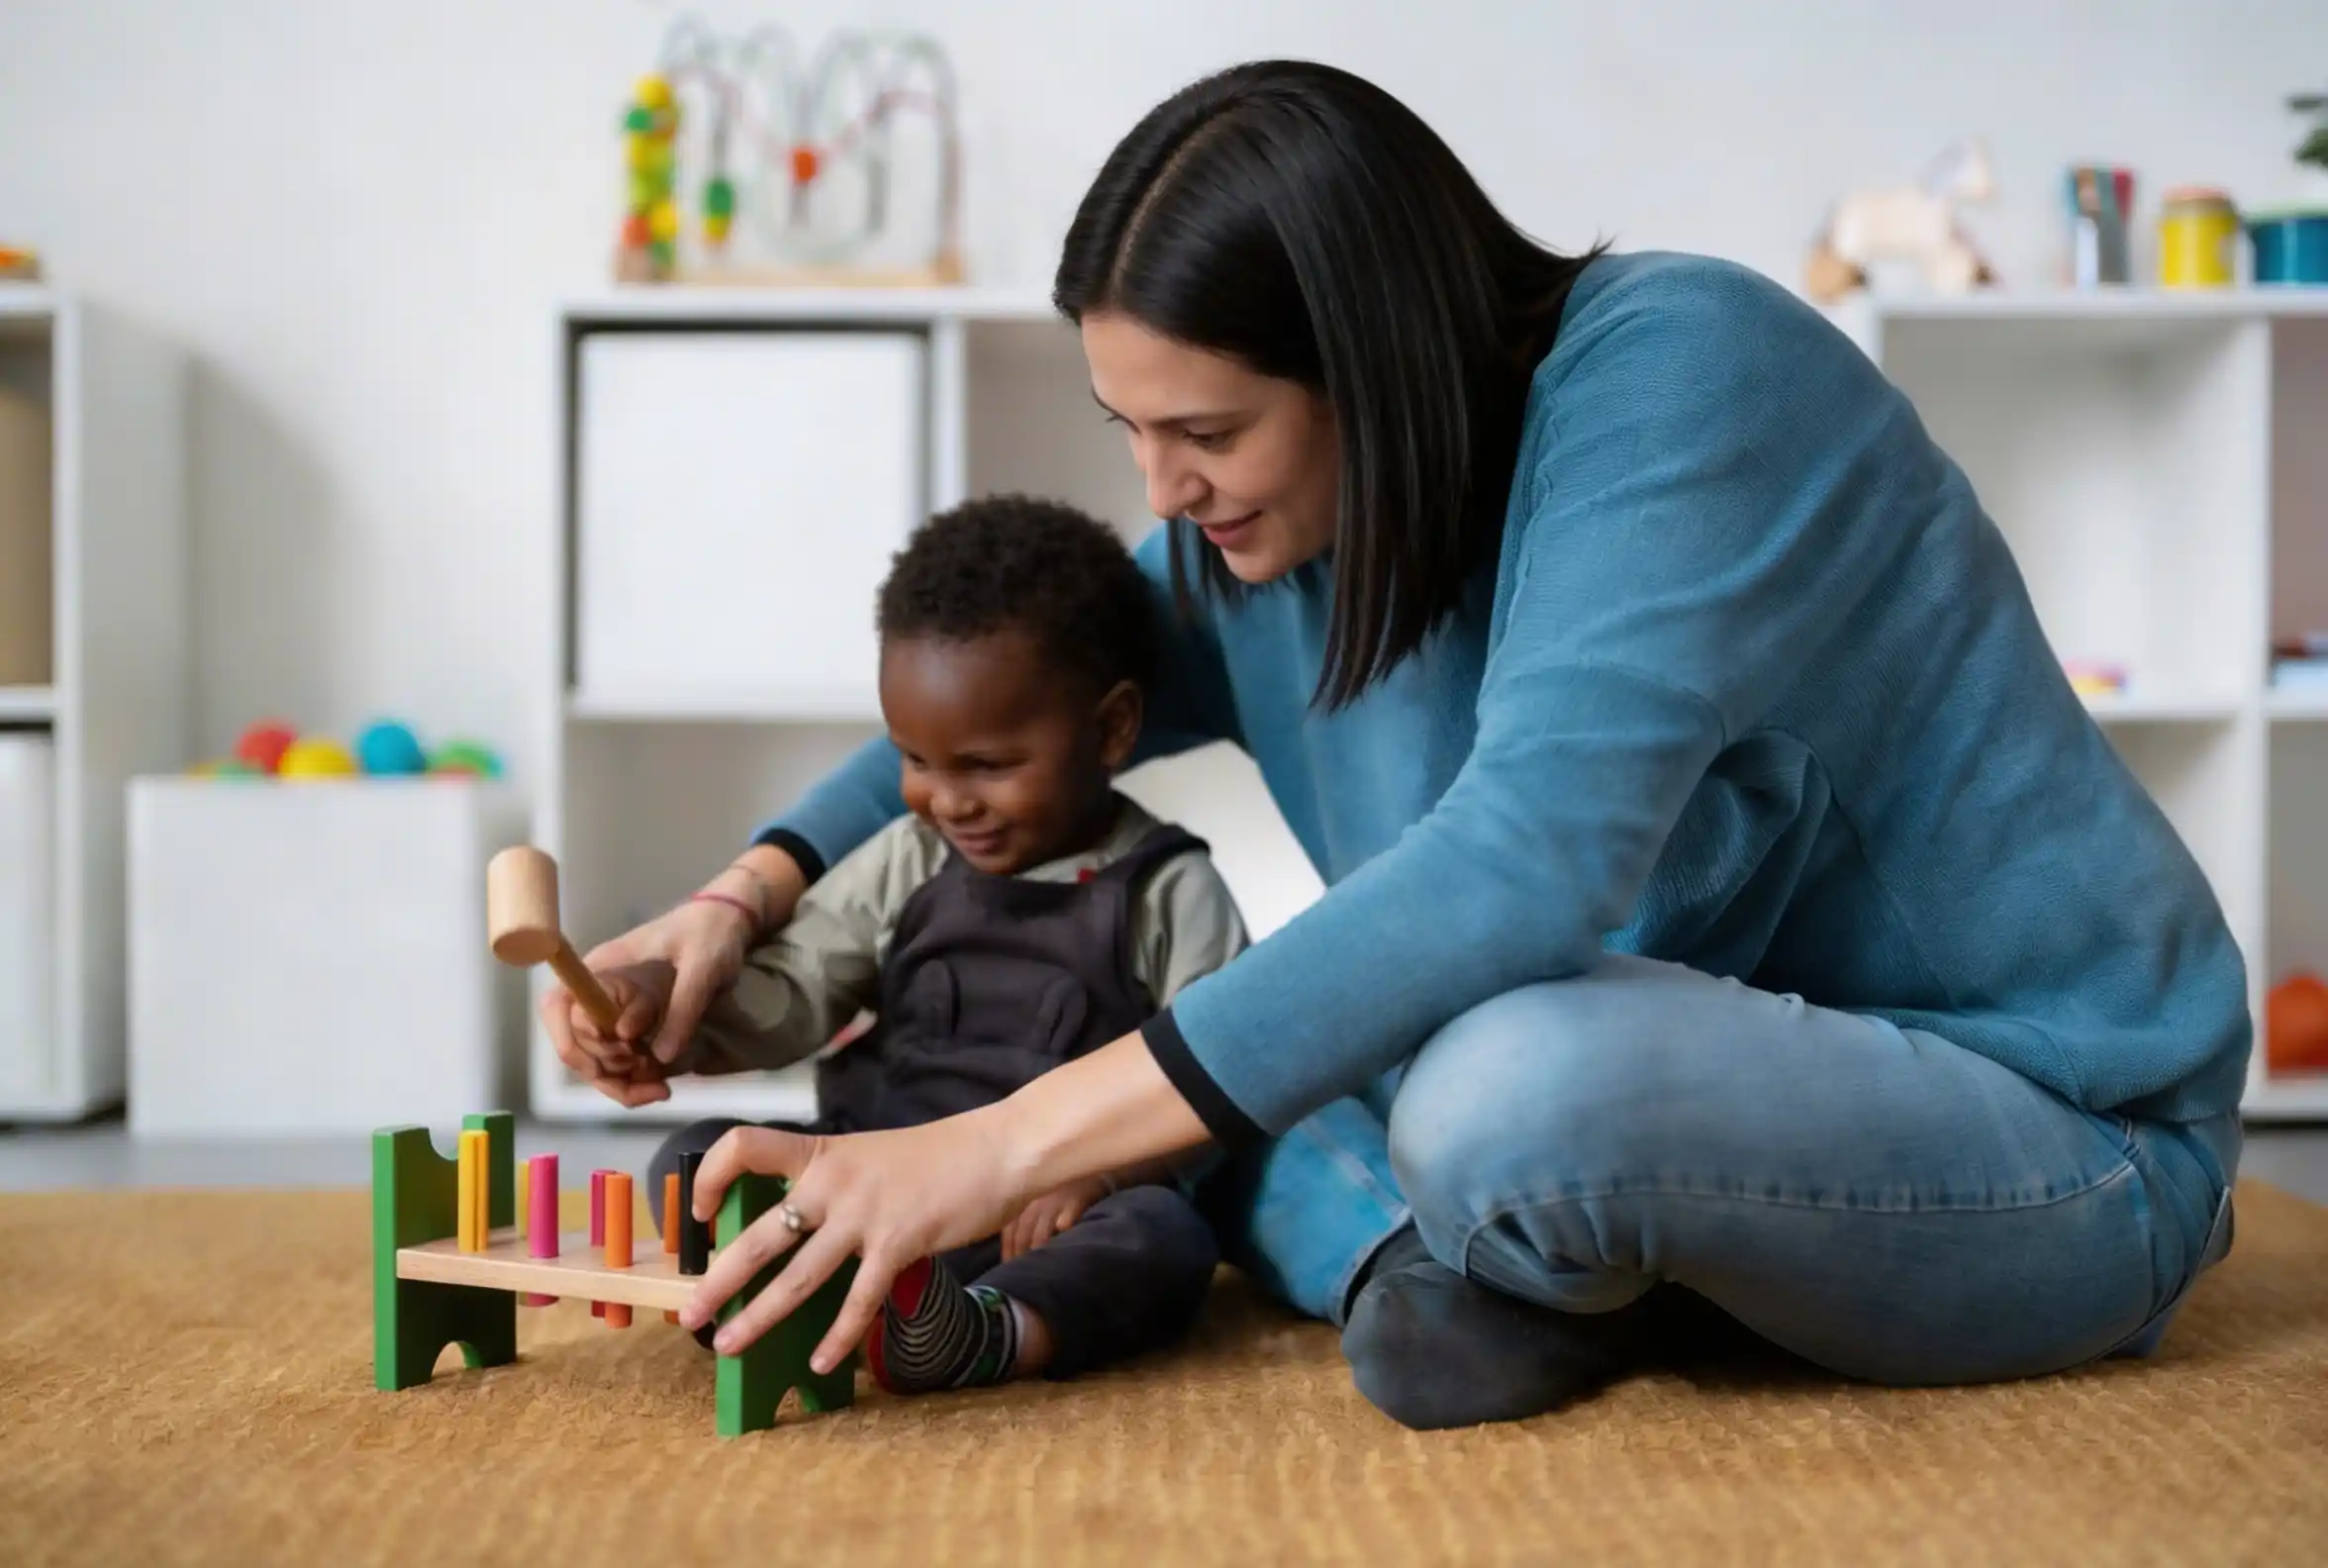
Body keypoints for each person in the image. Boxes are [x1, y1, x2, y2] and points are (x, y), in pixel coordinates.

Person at [542, 59, 2248, 1432]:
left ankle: (1488, 1244)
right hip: (1661, 1090)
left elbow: (1531, 858)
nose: (1163, 492)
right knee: (1257, 1049)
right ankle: (1432, 1278)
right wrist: (739, 894)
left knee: (1496, 1087)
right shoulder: (1271, 543)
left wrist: (988, 1143)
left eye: (1205, 430)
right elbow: (1022, 704)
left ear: (1373, 360)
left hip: (2050, 1129)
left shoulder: (1686, 371)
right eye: (1127, 431)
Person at [555, 495, 1245, 1394]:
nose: (948, 801)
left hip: (1036, 1217)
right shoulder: (905, 856)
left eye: (989, 766)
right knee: (699, 1158)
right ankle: (811, 1297)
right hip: (863, 1171)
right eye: (916, 762)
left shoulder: (1169, 887)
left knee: (1168, 1235)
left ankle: (990, 1332)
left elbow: (1213, 1081)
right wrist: (663, 1008)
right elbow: (794, 991)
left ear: (1112, 728)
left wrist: (1108, 1176)